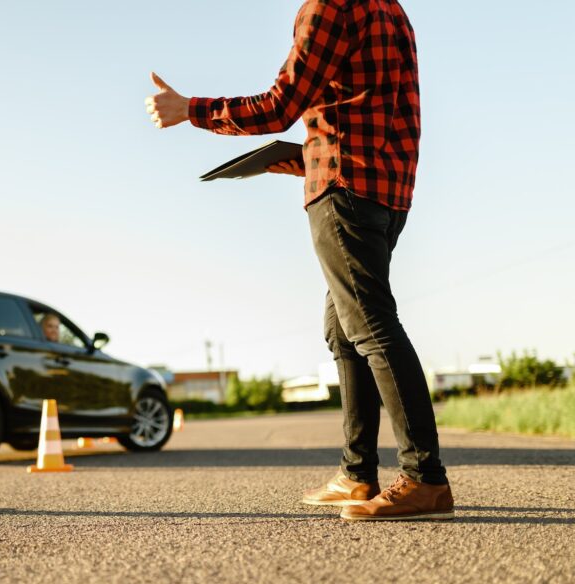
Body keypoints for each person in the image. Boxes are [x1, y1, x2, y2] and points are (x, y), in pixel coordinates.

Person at [145, 0, 453, 521]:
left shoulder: (328, 6)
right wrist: (301, 157)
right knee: (343, 327)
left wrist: (188, 109)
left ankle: (425, 478)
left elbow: (279, 105)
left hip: (344, 191)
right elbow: (373, 111)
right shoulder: (391, 9)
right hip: (387, 191)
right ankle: (358, 474)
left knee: (372, 326)